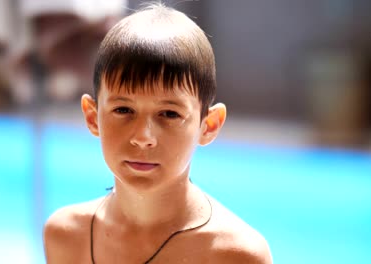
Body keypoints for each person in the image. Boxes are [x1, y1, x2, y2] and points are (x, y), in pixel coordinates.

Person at [43, 3, 273, 263]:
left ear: (209, 125)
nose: (143, 136)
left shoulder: (234, 255)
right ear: (92, 116)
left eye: (169, 114)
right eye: (123, 109)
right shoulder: (66, 237)